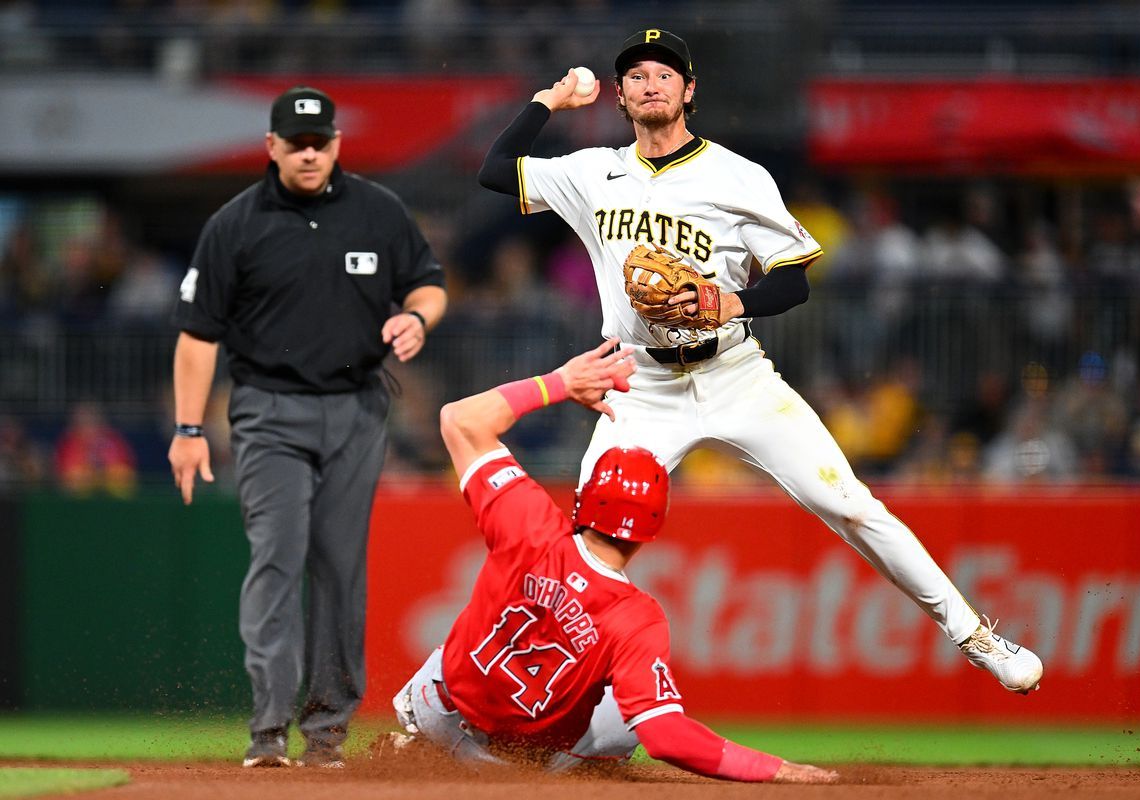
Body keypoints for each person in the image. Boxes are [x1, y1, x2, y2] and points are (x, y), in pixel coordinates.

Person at [477, 29, 1042, 694]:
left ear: (690, 90)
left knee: (852, 506)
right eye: (636, 76)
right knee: (588, 548)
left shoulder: (738, 177)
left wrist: (728, 301)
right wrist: (548, 100)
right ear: (623, 96)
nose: (650, 82)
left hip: (734, 374)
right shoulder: (591, 172)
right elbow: (495, 170)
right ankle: (531, 693)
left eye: (665, 73)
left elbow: (794, 279)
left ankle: (976, 637)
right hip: (640, 385)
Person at [392, 340, 838, 784]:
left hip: (441, 714)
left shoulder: (529, 522)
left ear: (584, 500)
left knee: (462, 641)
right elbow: (665, 735)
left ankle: (425, 741)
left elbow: (460, 420)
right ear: (652, 528)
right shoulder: (637, 618)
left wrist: (560, 384)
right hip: (515, 766)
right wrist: (778, 769)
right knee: (630, 715)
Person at [168, 85, 448, 769]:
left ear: (337, 143)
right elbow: (197, 337)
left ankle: (326, 733)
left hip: (356, 409)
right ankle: (268, 731)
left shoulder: (378, 211)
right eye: (296, 142)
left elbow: (430, 284)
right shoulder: (235, 224)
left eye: (320, 139)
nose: (310, 152)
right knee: (277, 557)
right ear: (271, 147)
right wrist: (188, 429)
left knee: (338, 570)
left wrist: (417, 317)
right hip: (269, 410)